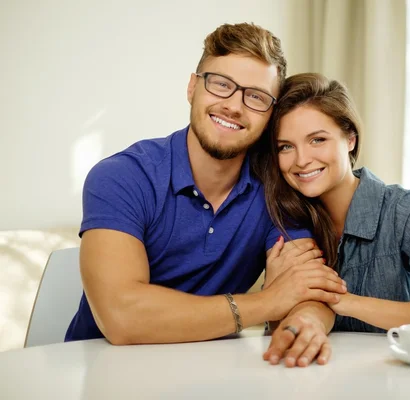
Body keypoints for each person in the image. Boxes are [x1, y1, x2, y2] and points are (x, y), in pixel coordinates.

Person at [65, 23, 347, 367]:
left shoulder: (277, 187)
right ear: (192, 87)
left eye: (256, 96)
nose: (233, 105)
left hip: (212, 373)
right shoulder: (123, 177)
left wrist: (304, 322)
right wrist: (268, 302)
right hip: (103, 372)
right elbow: (122, 318)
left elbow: (309, 288)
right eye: (221, 84)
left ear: (270, 114)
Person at [259, 72, 410, 343]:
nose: (302, 160)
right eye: (285, 147)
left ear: (350, 138)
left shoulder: (404, 212)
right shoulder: (284, 222)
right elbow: (281, 333)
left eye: (318, 140)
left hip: (403, 379)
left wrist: (344, 301)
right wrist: (273, 292)